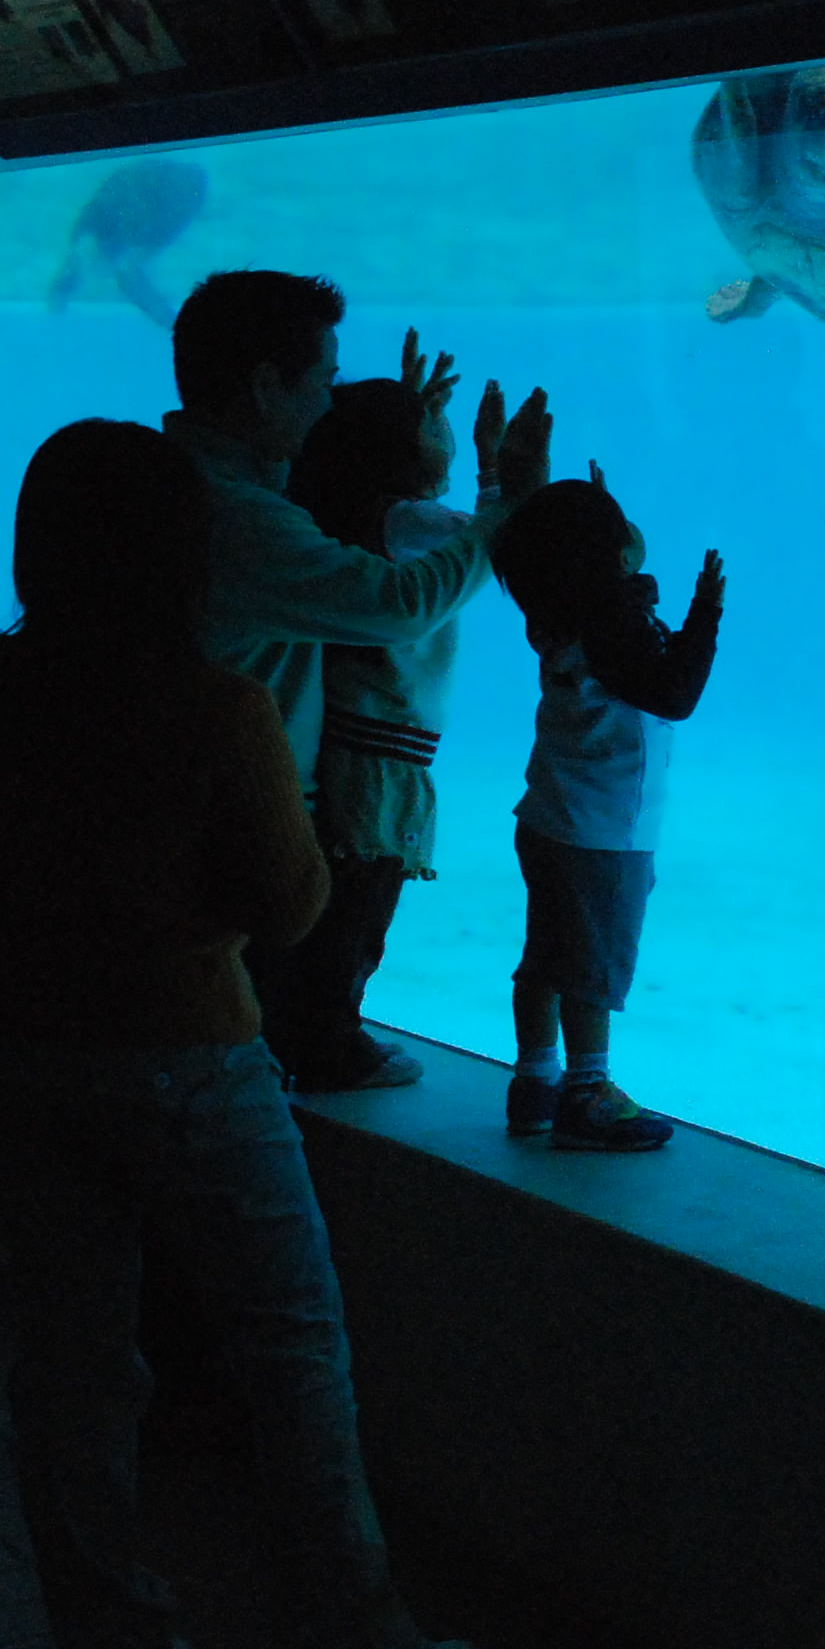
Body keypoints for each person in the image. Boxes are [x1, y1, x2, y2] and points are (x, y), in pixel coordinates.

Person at [0, 420, 475, 1649]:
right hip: (188, 1060)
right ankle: (347, 1640)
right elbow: (294, 902)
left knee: (69, 1366)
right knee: (288, 1341)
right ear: (183, 550)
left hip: (12, 1061)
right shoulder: (212, 702)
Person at [163, 270, 545, 1089]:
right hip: (222, 824)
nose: (330, 405)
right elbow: (402, 602)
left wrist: (396, 435)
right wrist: (508, 502)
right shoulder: (237, 517)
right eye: (324, 385)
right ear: (267, 386)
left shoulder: (180, 483)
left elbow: (322, 498)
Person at [489, 472, 724, 1152]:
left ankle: (534, 1081)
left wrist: (608, 538)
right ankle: (587, 1092)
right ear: (604, 558)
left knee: (544, 956)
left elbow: (614, 586)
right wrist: (705, 613)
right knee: (590, 965)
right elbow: (674, 693)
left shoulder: (556, 613)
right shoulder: (611, 623)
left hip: (549, 818)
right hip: (605, 833)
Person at [279, 366, 474, 1082]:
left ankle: (309, 1030)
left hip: (351, 737)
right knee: (361, 906)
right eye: (429, 427)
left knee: (342, 901)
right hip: (381, 749)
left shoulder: (334, 505)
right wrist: (512, 483)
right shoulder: (404, 522)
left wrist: (414, 413)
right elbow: (493, 537)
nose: (443, 433)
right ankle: (330, 1042)